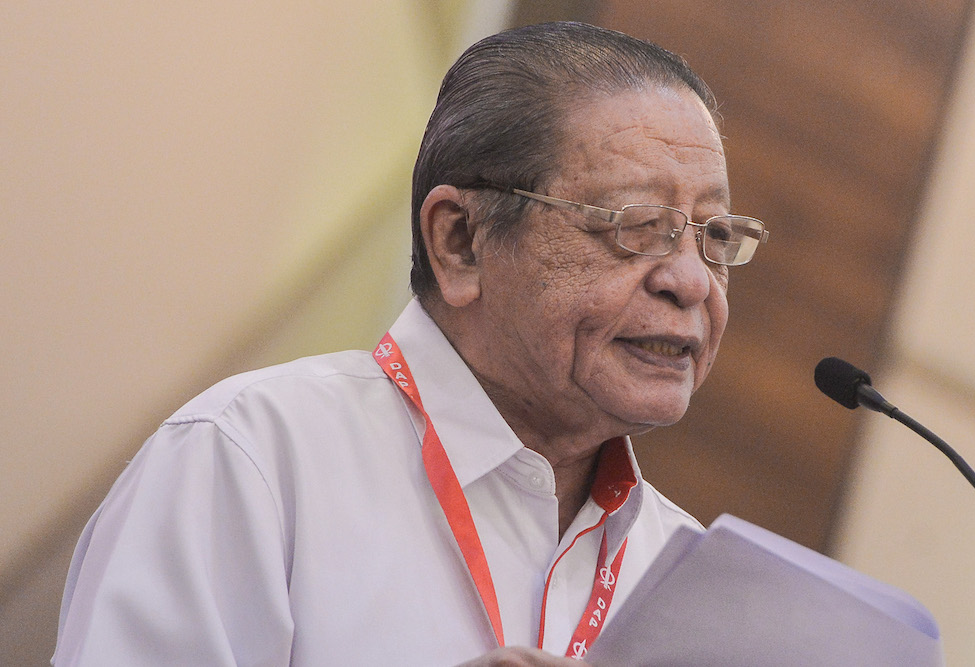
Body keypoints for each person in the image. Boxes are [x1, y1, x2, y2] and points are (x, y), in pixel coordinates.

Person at [53, 21, 768, 665]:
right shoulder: (250, 460)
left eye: (713, 235)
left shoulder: (684, 581)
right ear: (460, 241)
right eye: (636, 224)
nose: (690, 281)